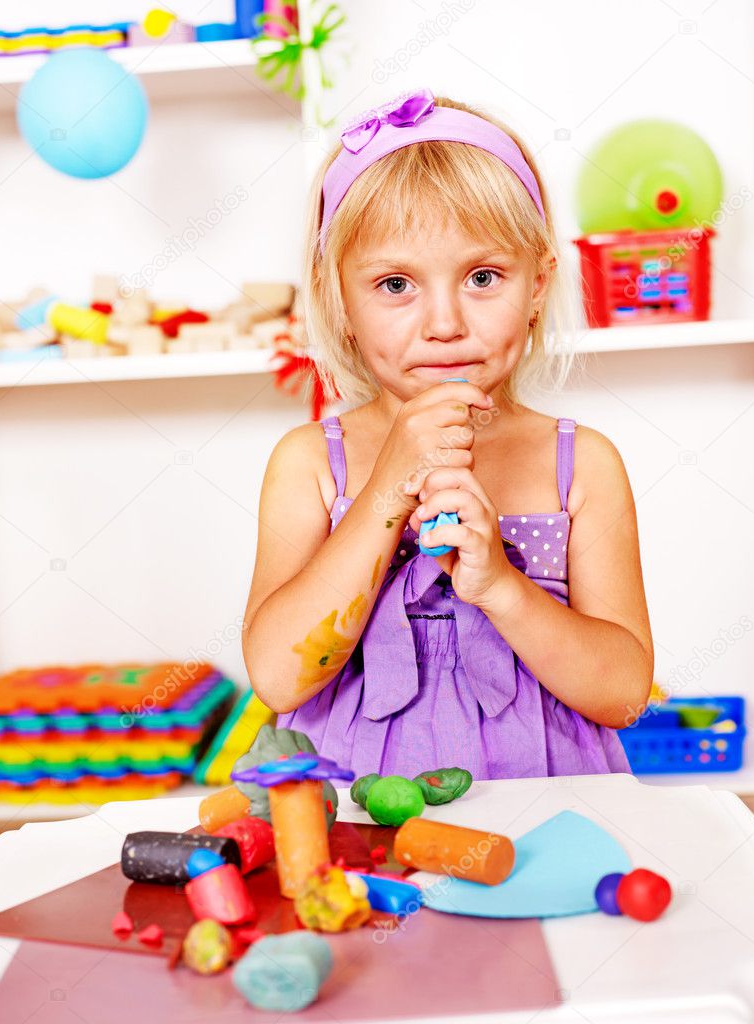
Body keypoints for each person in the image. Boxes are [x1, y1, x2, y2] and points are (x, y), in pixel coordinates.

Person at [242, 88, 653, 780]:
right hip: (355, 814)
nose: (443, 323)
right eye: (396, 284)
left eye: (483, 277)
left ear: (537, 287)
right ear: (339, 300)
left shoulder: (581, 465)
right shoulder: (312, 463)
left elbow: (623, 694)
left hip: (543, 809)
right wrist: (387, 488)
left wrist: (501, 585)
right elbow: (280, 679)